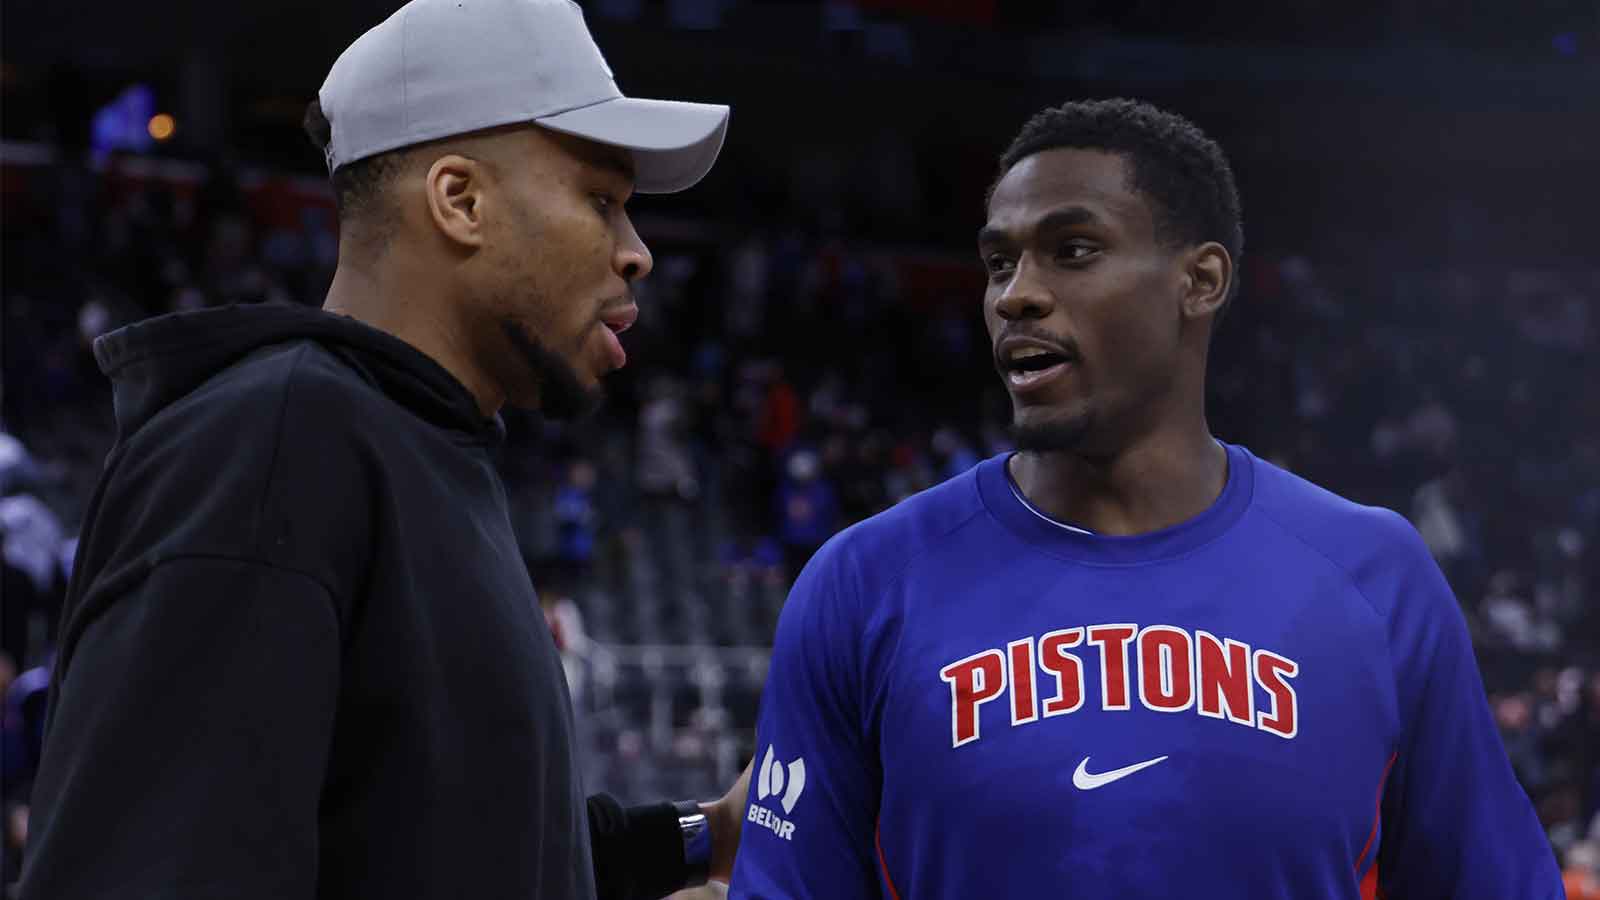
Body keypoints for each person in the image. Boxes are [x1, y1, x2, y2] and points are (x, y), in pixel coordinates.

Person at [729, 99, 1562, 898]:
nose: (1015, 293)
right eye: (998, 262)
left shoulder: (1376, 577)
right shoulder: (862, 585)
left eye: (1074, 250)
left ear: (1199, 281)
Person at [20, 1, 748, 898]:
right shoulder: (273, 443)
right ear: (460, 200)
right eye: (600, 201)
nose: (636, 253)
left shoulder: (413, 441)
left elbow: (464, 836)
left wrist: (703, 837)